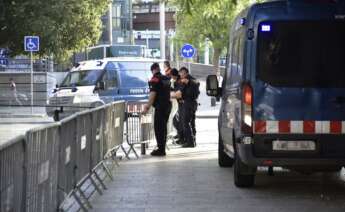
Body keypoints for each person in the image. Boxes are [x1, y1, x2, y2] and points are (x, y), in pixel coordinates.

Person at [143, 63, 172, 156]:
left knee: (159, 128)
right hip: (168, 105)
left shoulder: (155, 79)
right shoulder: (166, 78)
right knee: (163, 128)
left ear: (153, 70)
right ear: (159, 69)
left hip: (160, 106)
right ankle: (162, 147)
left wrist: (147, 107)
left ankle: (161, 149)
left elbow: (152, 95)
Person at [173, 67, 199, 148]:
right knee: (190, 123)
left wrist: (170, 95)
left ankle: (190, 142)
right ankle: (191, 141)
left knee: (186, 123)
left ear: (184, 73)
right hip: (190, 103)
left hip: (189, 103)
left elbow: (196, 83)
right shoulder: (186, 80)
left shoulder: (189, 80)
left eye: (181, 73)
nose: (180, 76)